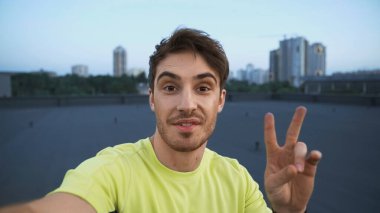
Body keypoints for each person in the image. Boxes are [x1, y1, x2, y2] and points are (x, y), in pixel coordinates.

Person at [0, 28, 322, 213]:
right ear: (152, 98)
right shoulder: (113, 170)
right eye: (170, 87)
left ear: (220, 100)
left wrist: (290, 212)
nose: (186, 104)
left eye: (203, 87)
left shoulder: (237, 181)